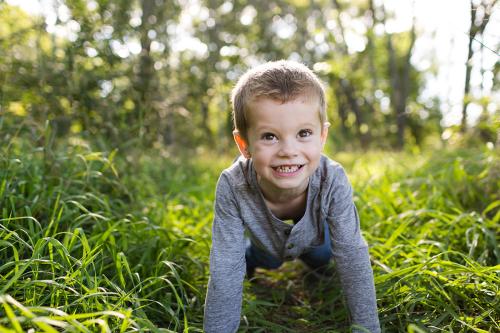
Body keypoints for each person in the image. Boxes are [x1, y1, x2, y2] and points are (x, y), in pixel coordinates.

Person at [203, 60, 380, 333]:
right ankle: (255, 260)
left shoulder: (332, 178)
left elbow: (352, 252)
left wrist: (367, 328)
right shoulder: (232, 184)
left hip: (318, 240)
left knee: (322, 257)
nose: (288, 150)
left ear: (322, 136)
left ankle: (317, 263)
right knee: (268, 259)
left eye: (304, 133)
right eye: (270, 136)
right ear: (244, 145)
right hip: (266, 246)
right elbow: (225, 264)